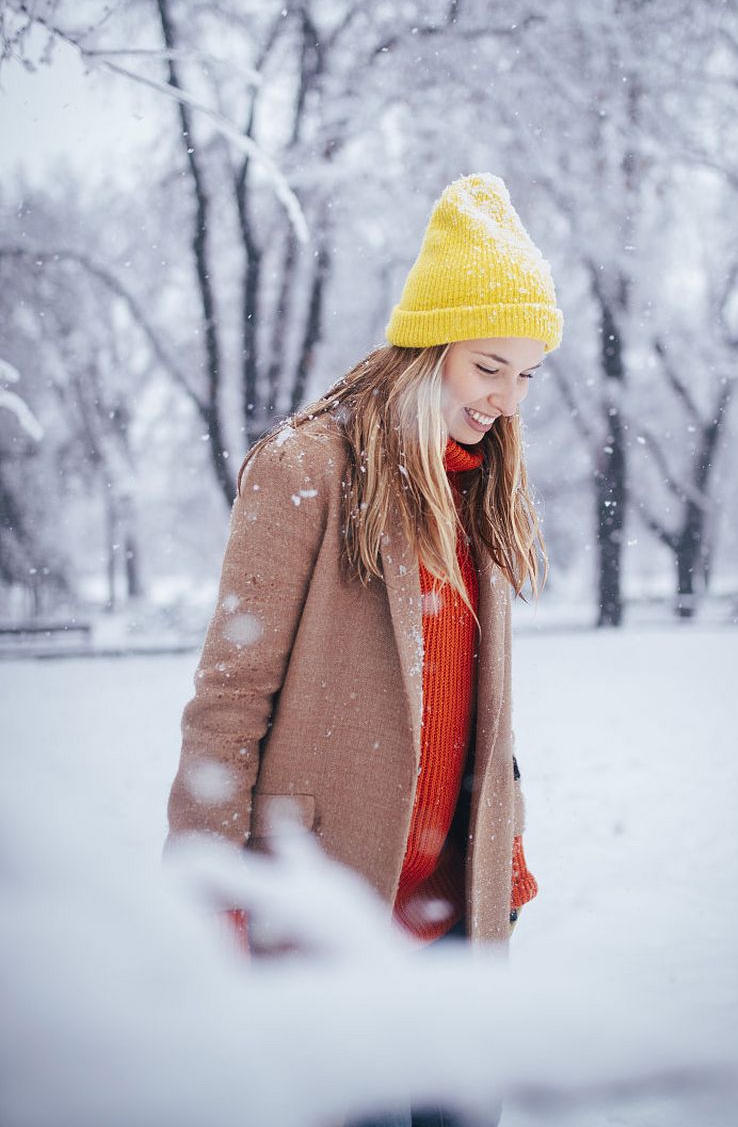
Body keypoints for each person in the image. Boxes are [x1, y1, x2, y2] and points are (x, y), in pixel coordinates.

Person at [165, 173, 563, 1127]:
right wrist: (207, 892)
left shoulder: (479, 489)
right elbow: (228, 699)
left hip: (451, 925)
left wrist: (503, 849)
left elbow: (472, 707)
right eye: (487, 368)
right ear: (428, 351)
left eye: (525, 377)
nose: (506, 400)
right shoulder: (305, 467)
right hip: (327, 903)